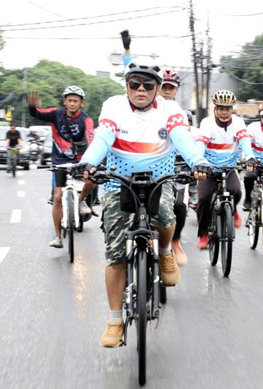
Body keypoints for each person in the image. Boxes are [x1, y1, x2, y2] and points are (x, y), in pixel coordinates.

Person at [79, 62, 211, 347]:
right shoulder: (113, 106)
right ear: (126, 86)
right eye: (134, 84)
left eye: (147, 85)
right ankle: (115, 321)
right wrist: (88, 162)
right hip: (118, 182)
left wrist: (197, 161)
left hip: (159, 179)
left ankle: (165, 251)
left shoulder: (170, 111)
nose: (140, 90)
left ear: (158, 89)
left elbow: (181, 139)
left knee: (166, 214)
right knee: (114, 255)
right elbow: (103, 137)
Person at [28, 85, 95, 248]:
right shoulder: (55, 114)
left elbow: (90, 138)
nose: (72, 103)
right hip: (59, 161)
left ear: (81, 103)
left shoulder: (86, 119)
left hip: (80, 160)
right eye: (69, 100)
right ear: (65, 101)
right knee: (57, 196)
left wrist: (91, 162)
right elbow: (37, 113)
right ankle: (58, 236)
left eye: (76, 101)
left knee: (91, 182)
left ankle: (81, 200)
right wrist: (32, 106)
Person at [195, 90, 256, 249]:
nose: (224, 112)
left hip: (229, 168)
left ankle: (233, 209)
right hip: (208, 169)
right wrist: (199, 162)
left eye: (227, 108)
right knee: (204, 198)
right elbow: (201, 144)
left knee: (236, 191)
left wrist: (249, 156)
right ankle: (203, 234)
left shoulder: (238, 123)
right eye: (221, 108)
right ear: (215, 108)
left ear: (232, 109)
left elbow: (244, 141)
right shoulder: (207, 123)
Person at [158, 68, 190, 265]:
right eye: (163, 87)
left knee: (178, 204)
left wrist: (196, 164)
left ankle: (175, 241)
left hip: (175, 166)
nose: (166, 91)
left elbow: (187, 142)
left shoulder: (180, 114)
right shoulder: (146, 108)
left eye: (171, 88)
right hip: (148, 166)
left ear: (176, 90)